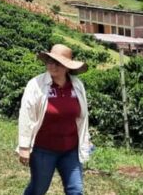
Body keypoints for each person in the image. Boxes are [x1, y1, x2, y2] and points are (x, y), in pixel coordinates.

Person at [18, 44, 90, 195]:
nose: (52, 66)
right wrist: (24, 147)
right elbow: (27, 115)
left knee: (76, 190)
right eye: (50, 61)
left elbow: (82, 117)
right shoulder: (36, 85)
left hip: (71, 150)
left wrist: (85, 139)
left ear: (67, 67)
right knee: (38, 189)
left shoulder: (77, 86)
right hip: (44, 149)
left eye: (57, 63)